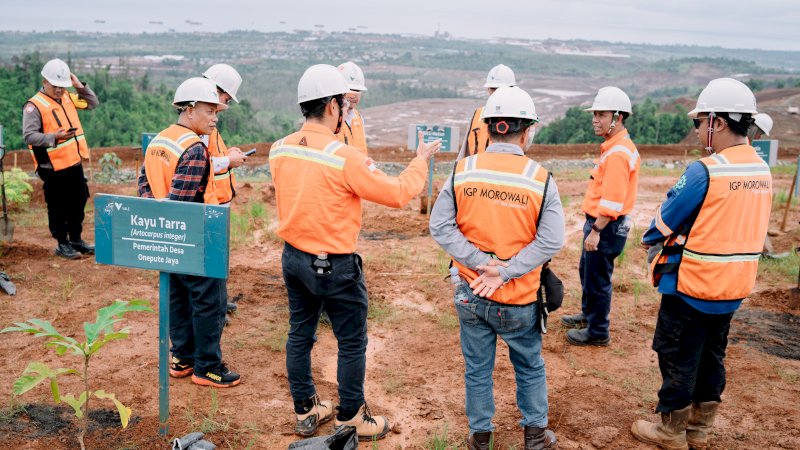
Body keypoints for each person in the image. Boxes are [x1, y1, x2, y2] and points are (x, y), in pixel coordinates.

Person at [269, 64, 441, 440]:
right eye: (342, 106)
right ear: (332, 106)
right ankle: (351, 416)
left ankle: (306, 409)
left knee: (300, 334)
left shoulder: (279, 149)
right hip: (333, 265)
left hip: (293, 258)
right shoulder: (343, 156)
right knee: (350, 341)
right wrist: (421, 161)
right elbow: (396, 194)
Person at [632, 78, 771, 450]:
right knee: (713, 354)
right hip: (734, 287)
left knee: (678, 354)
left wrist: (652, 238)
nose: (697, 131)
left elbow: (661, 224)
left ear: (718, 122)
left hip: (692, 286)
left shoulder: (706, 171)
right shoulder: (761, 170)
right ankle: (700, 428)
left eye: (700, 123)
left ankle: (671, 432)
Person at [430, 86, 564, 450]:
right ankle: (535, 435)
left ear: (488, 127)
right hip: (518, 297)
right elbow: (552, 240)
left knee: (477, 369)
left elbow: (440, 226)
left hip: (471, 292)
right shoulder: (540, 179)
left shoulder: (462, 171)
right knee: (529, 366)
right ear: (528, 130)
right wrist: (504, 270)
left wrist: (480, 263)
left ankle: (480, 437)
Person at [137, 77, 241, 388]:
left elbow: (144, 187)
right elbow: (181, 205)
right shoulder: (194, 148)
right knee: (210, 301)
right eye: (211, 110)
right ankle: (207, 367)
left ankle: (182, 358)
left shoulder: (159, 141)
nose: (215, 118)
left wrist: (159, 228)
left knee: (177, 297)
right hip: (192, 238)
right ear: (191, 109)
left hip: (165, 239)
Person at [560, 87, 640, 346]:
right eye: (594, 114)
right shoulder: (615, 147)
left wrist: (595, 230)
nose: (595, 119)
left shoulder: (617, 153)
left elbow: (613, 200)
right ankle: (589, 315)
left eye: (601, 115)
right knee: (588, 271)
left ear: (617, 117)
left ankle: (598, 331)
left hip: (604, 227)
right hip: (602, 225)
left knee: (597, 279)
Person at [23, 58, 98, 259]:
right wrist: (53, 137)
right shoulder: (34, 106)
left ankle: (76, 239)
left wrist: (79, 86)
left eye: (62, 87)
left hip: (73, 160)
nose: (59, 91)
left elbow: (92, 103)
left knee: (79, 199)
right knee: (58, 205)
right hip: (52, 165)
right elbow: (29, 136)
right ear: (44, 81)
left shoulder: (67, 97)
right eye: (55, 87)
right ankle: (62, 243)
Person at [202, 63, 248, 324]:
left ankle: (218, 302)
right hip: (209, 202)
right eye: (226, 98)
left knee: (218, 258)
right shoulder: (199, 125)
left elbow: (214, 157)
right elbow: (201, 163)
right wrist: (228, 162)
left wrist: (228, 155)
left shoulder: (211, 124)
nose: (225, 105)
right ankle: (213, 310)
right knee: (209, 262)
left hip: (218, 200)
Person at [458, 64, 517, 159]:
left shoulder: (520, 118)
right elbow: (465, 151)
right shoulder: (478, 114)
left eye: (499, 89)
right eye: (493, 89)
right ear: (488, 89)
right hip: (477, 171)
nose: (496, 93)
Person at [335, 61, 369, 155]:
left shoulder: (359, 118)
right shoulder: (330, 120)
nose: (353, 96)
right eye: (350, 90)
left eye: (357, 90)